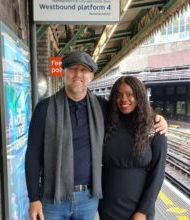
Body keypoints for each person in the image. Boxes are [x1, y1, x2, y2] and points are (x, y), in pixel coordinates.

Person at [25, 51, 168, 220]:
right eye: (72, 69)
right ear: (63, 72)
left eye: (84, 70)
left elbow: (129, 112)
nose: (78, 74)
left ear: (91, 76)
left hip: (88, 198)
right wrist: (34, 198)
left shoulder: (101, 107)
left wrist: (157, 119)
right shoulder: (44, 108)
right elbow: (33, 155)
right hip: (53, 197)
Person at [98, 76, 167, 220]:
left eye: (130, 94)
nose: (124, 99)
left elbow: (158, 173)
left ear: (139, 96)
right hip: (107, 206)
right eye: (119, 94)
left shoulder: (154, 126)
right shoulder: (108, 122)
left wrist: (142, 211)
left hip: (138, 209)